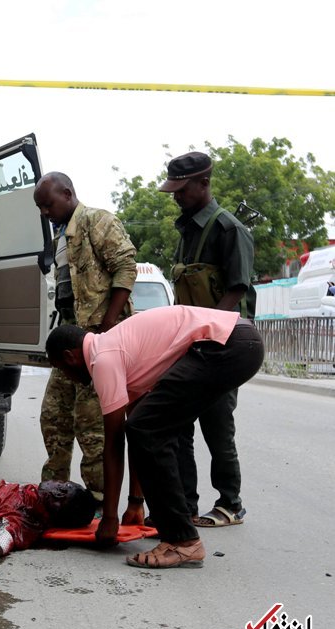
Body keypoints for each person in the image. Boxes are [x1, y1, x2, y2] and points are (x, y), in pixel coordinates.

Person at [46, 305, 264, 568]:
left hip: (226, 344)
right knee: (153, 428)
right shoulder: (121, 353)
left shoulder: (103, 358)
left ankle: (183, 541)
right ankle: (177, 526)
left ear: (70, 357)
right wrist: (135, 504)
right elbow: (141, 434)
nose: (68, 378)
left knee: (145, 428)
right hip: (240, 341)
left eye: (63, 370)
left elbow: (114, 443)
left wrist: (110, 519)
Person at [160, 152, 257, 528]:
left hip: (222, 346)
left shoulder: (229, 229)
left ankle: (231, 504)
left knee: (217, 426)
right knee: (180, 424)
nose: (176, 196)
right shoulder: (187, 230)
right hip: (191, 344)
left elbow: (237, 291)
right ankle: (185, 503)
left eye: (182, 190)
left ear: (204, 183)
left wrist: (210, 334)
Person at [34, 172, 137, 502]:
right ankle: (53, 493)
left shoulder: (98, 221)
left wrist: (107, 323)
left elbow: (126, 268)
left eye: (47, 205)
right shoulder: (60, 235)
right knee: (53, 416)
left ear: (68, 194)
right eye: (40, 207)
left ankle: (97, 499)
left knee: (92, 428)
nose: (44, 213)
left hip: (99, 346)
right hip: (71, 346)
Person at [0, 479, 96, 579]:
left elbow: (2, 538)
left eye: (62, 498)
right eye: (65, 486)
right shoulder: (33, 492)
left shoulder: (26, 522)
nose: (57, 491)